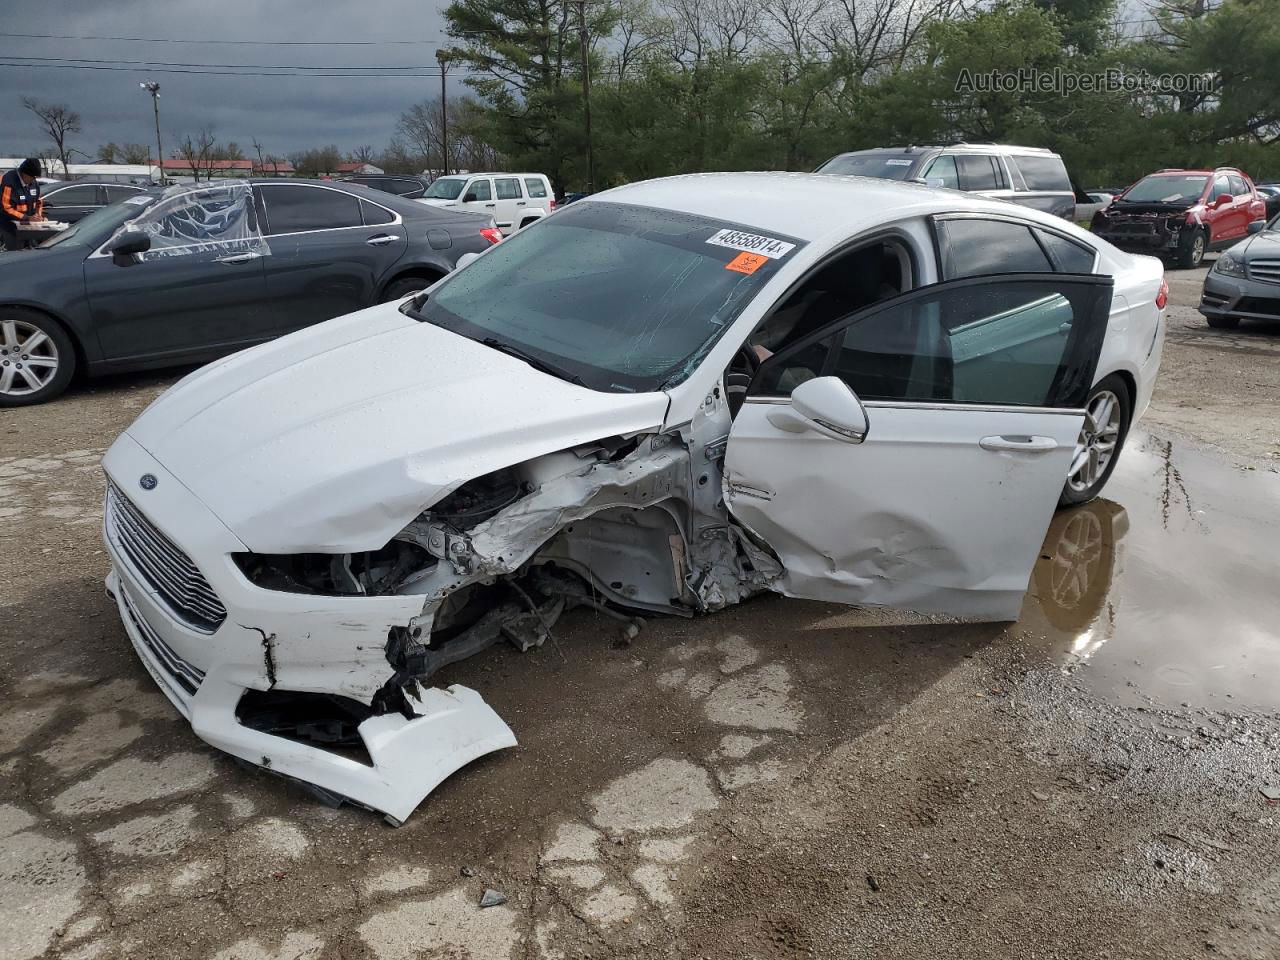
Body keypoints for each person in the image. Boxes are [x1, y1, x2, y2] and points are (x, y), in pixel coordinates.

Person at [1, 158, 45, 252]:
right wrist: (26, 217)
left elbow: (38, 201)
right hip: (11, 228)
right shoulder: (9, 182)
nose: (34, 180)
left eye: (35, 178)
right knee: (15, 254)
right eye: (32, 177)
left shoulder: (33, 183)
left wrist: (38, 215)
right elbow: (6, 207)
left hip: (28, 228)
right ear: (24, 174)